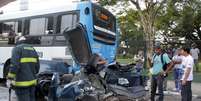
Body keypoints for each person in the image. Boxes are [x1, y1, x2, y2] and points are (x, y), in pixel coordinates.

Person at [6, 36, 40, 101]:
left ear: (18, 41)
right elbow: (37, 67)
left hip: (21, 84)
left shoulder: (17, 49)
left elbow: (14, 66)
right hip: (32, 83)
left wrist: (9, 79)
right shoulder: (32, 49)